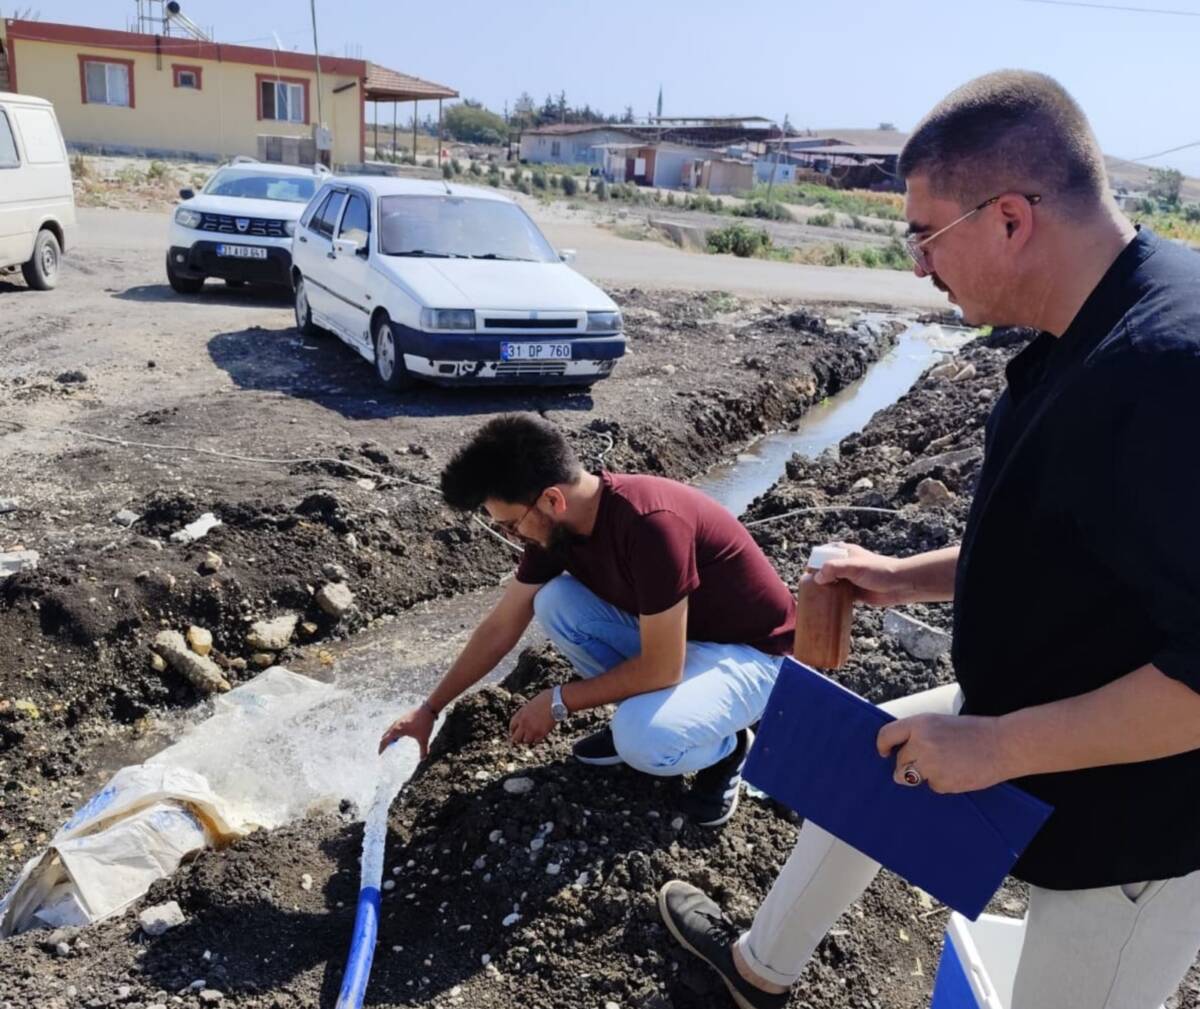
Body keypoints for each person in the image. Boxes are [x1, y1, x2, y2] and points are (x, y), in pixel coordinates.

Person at [658, 69, 1200, 1009]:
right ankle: (757, 973)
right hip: (1032, 711)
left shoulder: (1168, 373)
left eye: (924, 235)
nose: (916, 265)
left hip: (1141, 820)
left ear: (1009, 219)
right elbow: (1074, 550)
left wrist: (991, 748)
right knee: (868, 769)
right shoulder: (1087, 324)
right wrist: (904, 578)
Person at [378, 414, 797, 826]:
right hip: (685, 640)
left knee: (643, 741)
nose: (510, 536)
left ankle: (728, 746)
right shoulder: (555, 528)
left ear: (552, 500)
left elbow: (662, 667)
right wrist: (429, 709)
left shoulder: (651, 525)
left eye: (510, 525)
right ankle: (653, 712)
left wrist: (559, 701)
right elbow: (501, 626)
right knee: (556, 601)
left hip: (755, 657)